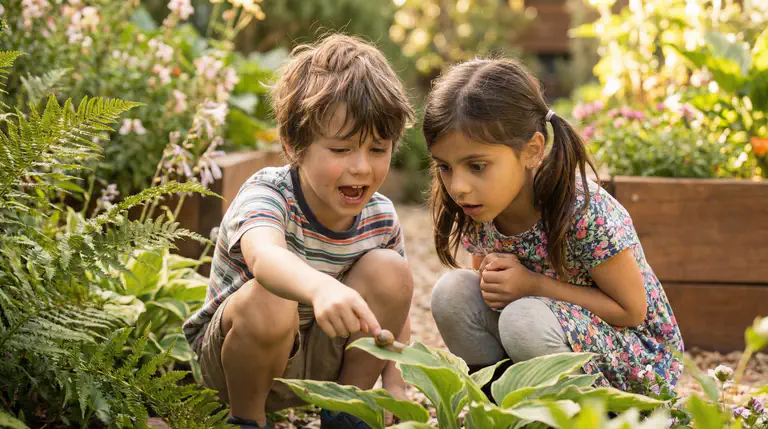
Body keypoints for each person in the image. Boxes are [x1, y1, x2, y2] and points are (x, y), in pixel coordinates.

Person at [182, 34, 415, 429]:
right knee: (271, 295)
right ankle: (248, 418)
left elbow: (397, 308)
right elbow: (265, 257)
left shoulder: (380, 215)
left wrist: (395, 380)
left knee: (392, 271)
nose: (361, 167)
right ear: (294, 145)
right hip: (236, 360)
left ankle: (345, 408)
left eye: (378, 149)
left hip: (318, 360)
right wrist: (320, 287)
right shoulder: (268, 193)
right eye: (341, 150)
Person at [424, 58, 684, 394]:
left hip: (633, 355)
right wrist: (499, 283)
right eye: (445, 167)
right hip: (544, 336)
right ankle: (501, 405)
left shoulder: (581, 209)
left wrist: (532, 284)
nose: (458, 186)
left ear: (532, 150)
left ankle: (583, 415)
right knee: (452, 294)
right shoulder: (481, 205)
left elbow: (631, 311)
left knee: (523, 320)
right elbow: (491, 294)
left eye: (477, 165)